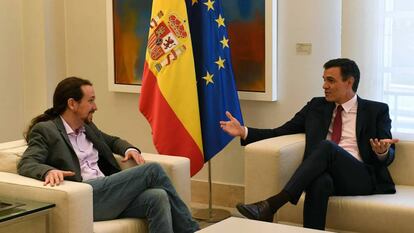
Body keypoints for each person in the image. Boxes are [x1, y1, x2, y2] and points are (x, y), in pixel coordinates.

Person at [220, 58, 399, 230]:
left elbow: (387, 151)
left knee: (326, 147)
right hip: (326, 173)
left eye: (330, 80)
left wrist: (382, 152)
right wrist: (244, 131)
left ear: (349, 82)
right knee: (319, 182)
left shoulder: (377, 110)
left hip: (360, 176)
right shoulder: (316, 106)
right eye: (324, 80)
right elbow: (280, 132)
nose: (324, 86)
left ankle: (273, 204)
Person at [17, 77, 199, 233]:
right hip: (85, 195)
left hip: (106, 194)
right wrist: (48, 171)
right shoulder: (46, 130)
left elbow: (112, 141)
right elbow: (27, 162)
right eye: (90, 101)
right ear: (72, 104)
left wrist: (129, 150)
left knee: (157, 197)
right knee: (152, 170)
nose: (95, 106)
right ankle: (192, 230)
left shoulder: (86, 126)